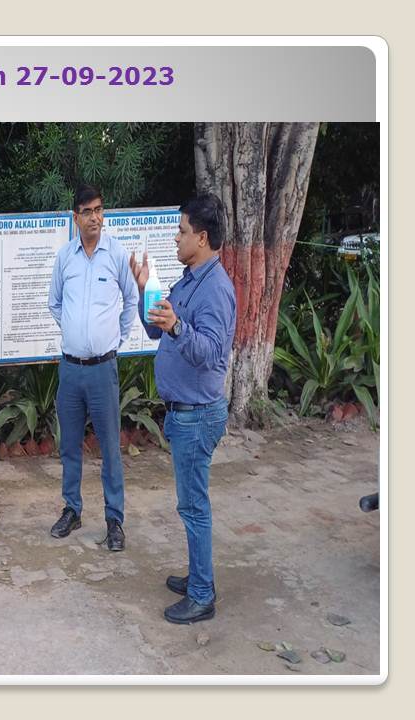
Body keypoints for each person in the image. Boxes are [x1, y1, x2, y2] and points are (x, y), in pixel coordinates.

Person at [129, 194, 236, 624]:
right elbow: (157, 329)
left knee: (193, 506)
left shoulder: (216, 290)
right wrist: (145, 291)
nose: (176, 238)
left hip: (198, 413)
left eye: (182, 231)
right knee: (191, 503)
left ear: (202, 238)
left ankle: (202, 594)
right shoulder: (190, 279)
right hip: (184, 411)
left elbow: (210, 353)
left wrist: (177, 326)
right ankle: (198, 576)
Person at [47, 185, 138, 550]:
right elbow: (54, 303)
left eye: (99, 210)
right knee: (70, 446)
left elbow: (131, 300)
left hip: (103, 369)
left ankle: (114, 520)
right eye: (87, 211)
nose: (95, 217)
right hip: (70, 369)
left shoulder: (116, 254)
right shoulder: (65, 257)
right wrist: (74, 331)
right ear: (76, 217)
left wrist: (115, 338)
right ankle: (72, 509)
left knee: (110, 449)